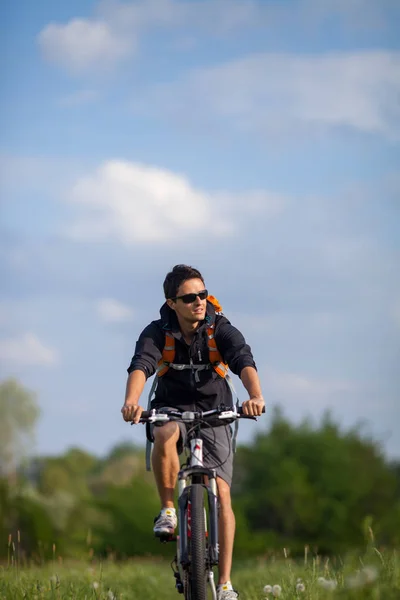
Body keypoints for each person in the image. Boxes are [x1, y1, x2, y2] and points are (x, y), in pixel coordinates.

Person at [122, 264, 264, 600]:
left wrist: (255, 397)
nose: (199, 302)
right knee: (165, 432)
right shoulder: (158, 332)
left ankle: (226, 584)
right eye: (189, 298)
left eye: (202, 294)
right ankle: (168, 509)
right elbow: (142, 364)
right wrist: (131, 402)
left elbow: (243, 360)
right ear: (172, 303)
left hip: (216, 409)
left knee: (224, 495)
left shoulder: (220, 328)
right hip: (172, 406)